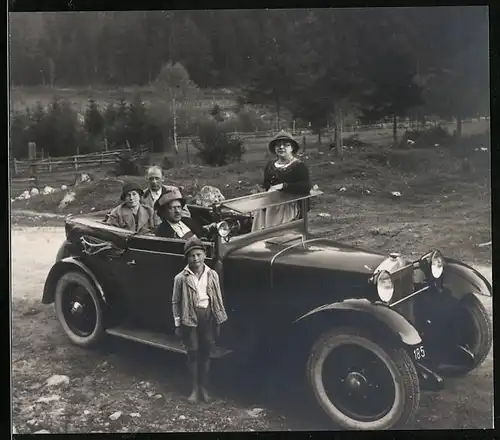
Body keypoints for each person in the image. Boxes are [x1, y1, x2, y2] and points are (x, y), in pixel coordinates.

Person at [172, 237, 228, 403]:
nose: (195, 259)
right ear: (187, 258)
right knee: (193, 353)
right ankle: (194, 389)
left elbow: (217, 298)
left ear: (204, 255)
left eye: (198, 254)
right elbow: (176, 302)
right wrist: (178, 323)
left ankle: (204, 387)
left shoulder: (212, 275)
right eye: (191, 256)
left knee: (206, 352)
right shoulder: (181, 278)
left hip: (208, 317)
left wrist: (219, 319)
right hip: (190, 318)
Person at [251, 130, 311, 231]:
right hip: (269, 204)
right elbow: (266, 185)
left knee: (278, 235)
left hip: (289, 206)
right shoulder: (270, 165)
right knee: (261, 232)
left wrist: (284, 186)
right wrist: (260, 191)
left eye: (286, 145)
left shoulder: (299, 166)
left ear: (292, 148)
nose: (281, 147)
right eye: (278, 145)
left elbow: (306, 187)